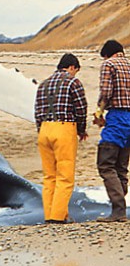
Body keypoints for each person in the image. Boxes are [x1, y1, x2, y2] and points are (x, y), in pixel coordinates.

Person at [35, 53, 88, 224]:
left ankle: (50, 214)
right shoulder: (73, 82)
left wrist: (41, 130)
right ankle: (57, 218)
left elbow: (37, 112)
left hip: (44, 130)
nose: (75, 74)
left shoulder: (43, 84)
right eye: (76, 71)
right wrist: (81, 130)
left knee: (49, 176)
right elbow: (81, 108)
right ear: (72, 67)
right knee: (65, 176)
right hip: (64, 128)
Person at [92, 40, 130, 222]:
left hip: (117, 117)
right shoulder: (129, 65)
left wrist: (99, 112)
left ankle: (118, 210)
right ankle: (120, 211)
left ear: (107, 54)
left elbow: (106, 92)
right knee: (121, 167)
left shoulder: (109, 64)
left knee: (106, 164)